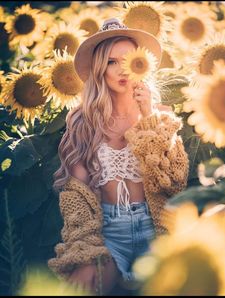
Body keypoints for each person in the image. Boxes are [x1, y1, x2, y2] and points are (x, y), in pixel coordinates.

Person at [48, 18, 189, 295]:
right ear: (100, 69)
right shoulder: (82, 122)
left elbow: (174, 182)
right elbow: (77, 196)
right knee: (86, 283)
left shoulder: (160, 115)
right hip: (108, 231)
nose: (122, 70)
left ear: (142, 65)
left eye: (130, 61)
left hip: (156, 227)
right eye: (112, 62)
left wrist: (149, 116)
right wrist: (87, 250)